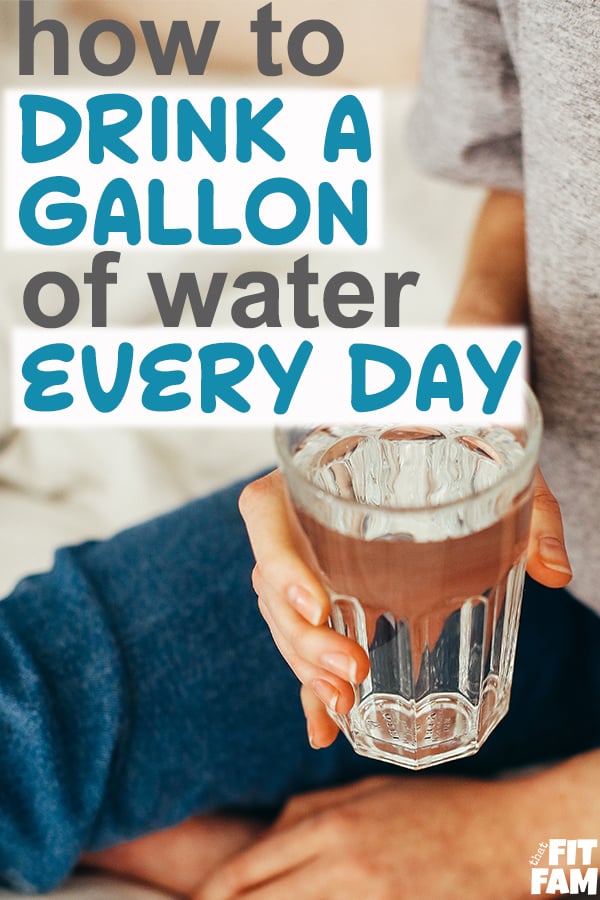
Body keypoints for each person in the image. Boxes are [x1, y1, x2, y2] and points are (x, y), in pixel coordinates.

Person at [1, 1, 599, 897]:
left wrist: (524, 847)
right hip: (544, 554)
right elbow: (532, 168)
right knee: (24, 716)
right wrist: (460, 408)